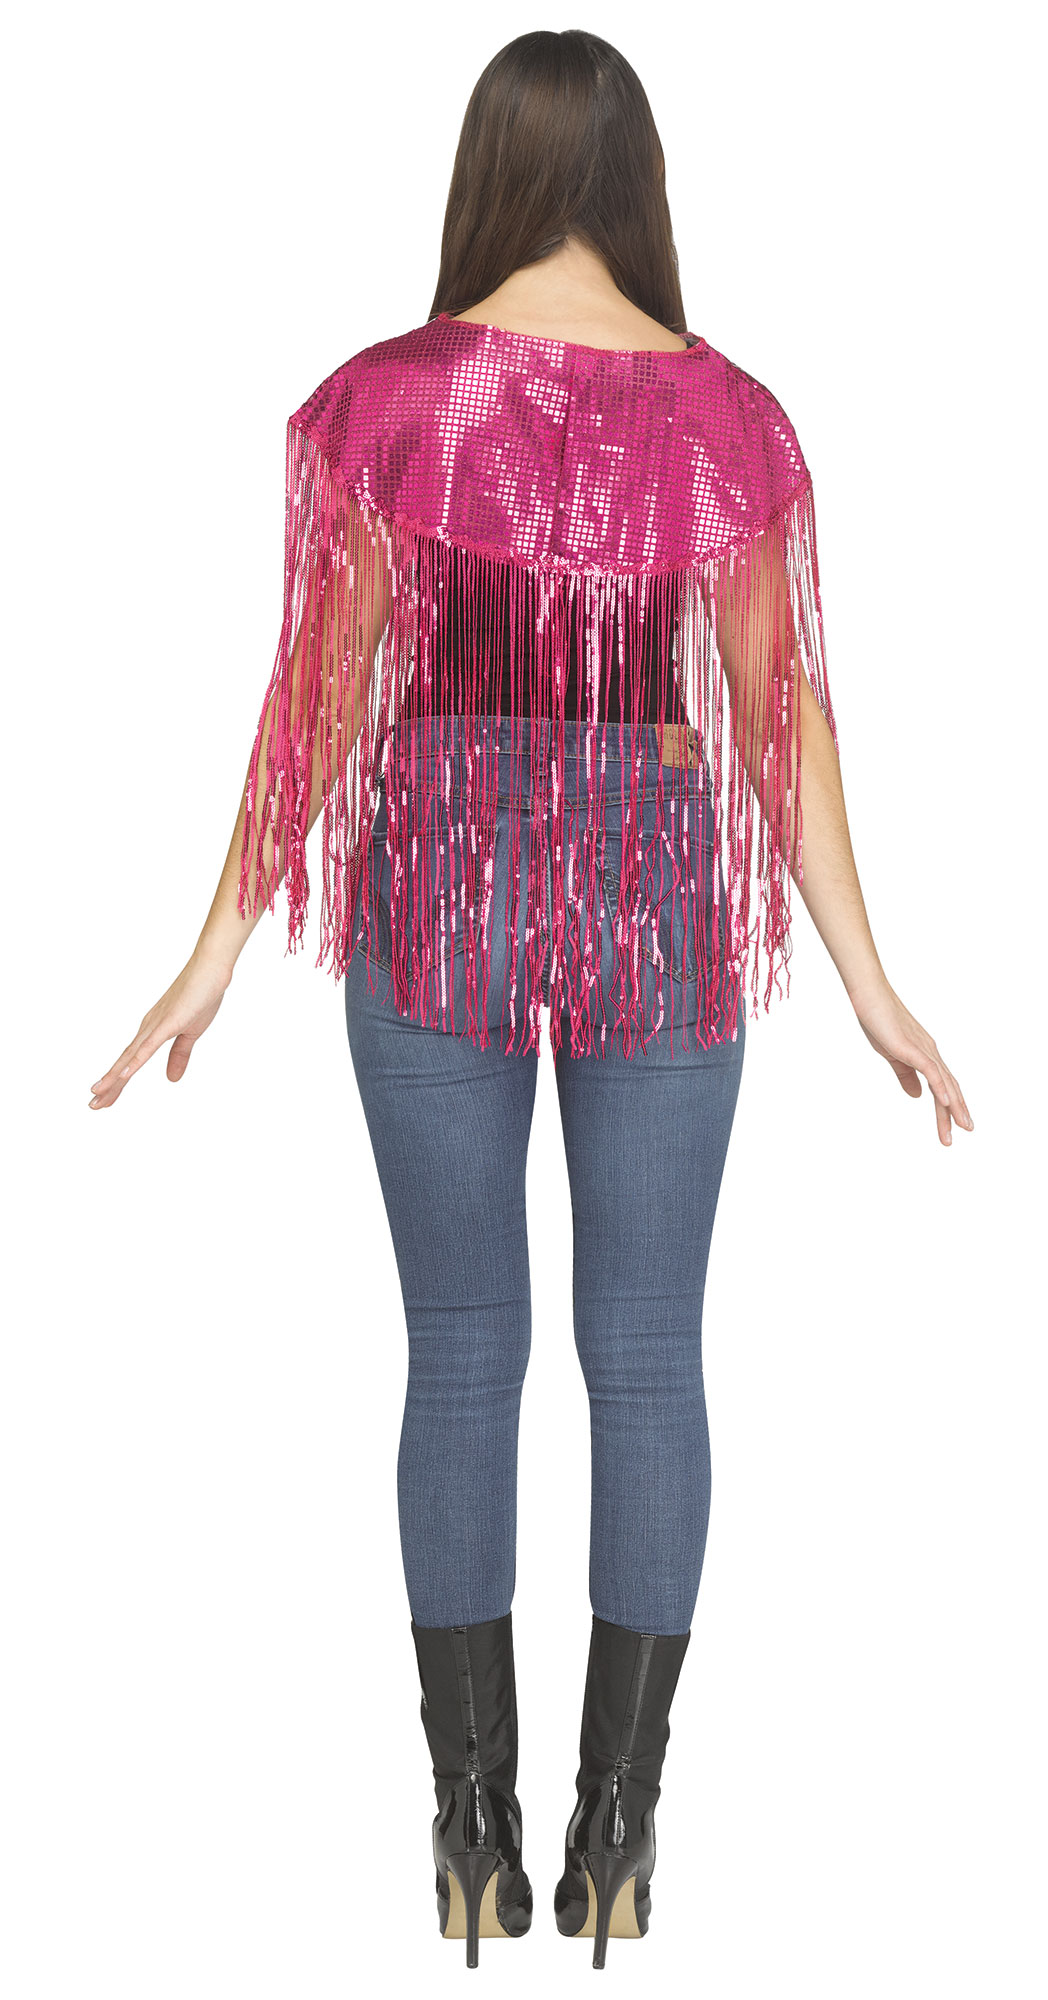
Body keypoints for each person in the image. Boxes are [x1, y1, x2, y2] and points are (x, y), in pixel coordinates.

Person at [87, 28, 974, 1972]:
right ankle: (620, 1833)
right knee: (647, 1355)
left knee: (461, 1351)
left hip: (439, 870)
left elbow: (321, 695)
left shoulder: (389, 404)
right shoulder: (727, 416)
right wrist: (867, 975)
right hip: (658, 875)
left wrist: (217, 944)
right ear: (637, 179)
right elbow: (783, 711)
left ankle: (470, 1835)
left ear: (486, 169)